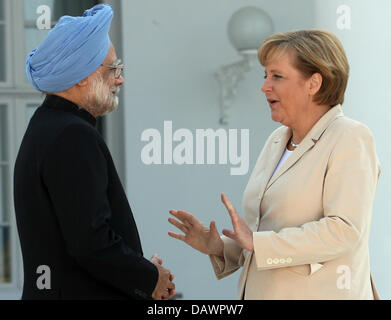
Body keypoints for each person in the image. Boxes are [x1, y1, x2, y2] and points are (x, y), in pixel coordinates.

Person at [168, 30, 381, 300]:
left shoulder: (349, 136)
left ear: (313, 83)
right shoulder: (276, 140)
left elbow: (343, 231)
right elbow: (261, 233)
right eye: (265, 76)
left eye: (277, 76)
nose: (265, 86)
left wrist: (258, 243)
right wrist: (219, 247)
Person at [14, 4, 175, 300]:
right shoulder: (72, 135)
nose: (120, 79)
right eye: (113, 69)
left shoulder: (45, 126)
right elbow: (90, 242)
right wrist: (149, 277)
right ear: (81, 76)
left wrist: (138, 270)